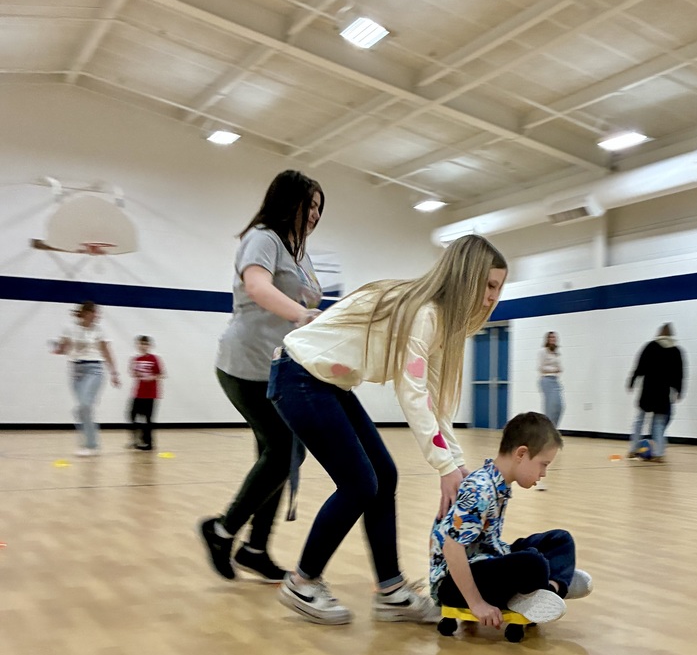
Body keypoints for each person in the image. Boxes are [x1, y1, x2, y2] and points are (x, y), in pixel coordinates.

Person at [269, 233, 508, 625]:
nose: (492, 297)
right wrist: (443, 467)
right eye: (489, 285)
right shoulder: (425, 313)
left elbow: (434, 401)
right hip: (298, 378)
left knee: (383, 475)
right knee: (360, 484)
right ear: (467, 277)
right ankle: (301, 581)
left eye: (498, 288)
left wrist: (456, 464)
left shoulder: (440, 321)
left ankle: (391, 590)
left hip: (323, 384)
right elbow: (412, 392)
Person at [199, 169, 324, 584]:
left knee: (277, 454)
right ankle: (221, 530)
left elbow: (308, 302)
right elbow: (257, 287)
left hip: (277, 368)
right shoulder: (264, 238)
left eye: (320, 208)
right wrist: (302, 313)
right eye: (311, 204)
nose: (315, 214)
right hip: (243, 365)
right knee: (285, 448)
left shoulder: (299, 253)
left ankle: (254, 549)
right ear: (290, 201)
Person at [429, 412, 593, 628]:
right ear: (521, 454)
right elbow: (452, 548)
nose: (543, 473)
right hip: (453, 585)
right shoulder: (480, 488)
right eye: (543, 464)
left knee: (560, 540)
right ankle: (550, 584)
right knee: (531, 562)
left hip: (485, 560)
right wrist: (476, 604)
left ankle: (549, 589)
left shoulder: (499, 484)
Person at [52, 301, 120, 455]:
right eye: (94, 312)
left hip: (94, 369)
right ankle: (89, 443)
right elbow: (63, 349)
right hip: (76, 370)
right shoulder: (70, 328)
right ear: (85, 313)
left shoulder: (100, 330)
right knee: (83, 409)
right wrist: (60, 349)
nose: (97, 316)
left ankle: (91, 445)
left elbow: (107, 352)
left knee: (84, 406)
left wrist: (114, 373)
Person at [627, 323, 685, 463]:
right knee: (658, 423)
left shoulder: (650, 346)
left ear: (659, 333)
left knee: (639, 421)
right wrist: (679, 390)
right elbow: (680, 373)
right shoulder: (676, 351)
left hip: (648, 389)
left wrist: (632, 381)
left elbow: (639, 366)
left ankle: (633, 449)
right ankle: (659, 453)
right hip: (663, 392)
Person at [128, 335, 165, 451]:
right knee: (132, 414)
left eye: (145, 344)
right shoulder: (136, 359)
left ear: (149, 346)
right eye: (141, 344)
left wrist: (152, 377)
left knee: (148, 418)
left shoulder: (154, 359)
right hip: (138, 392)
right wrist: (133, 372)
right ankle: (137, 439)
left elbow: (161, 374)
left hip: (150, 393)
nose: (143, 346)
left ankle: (149, 443)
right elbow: (133, 373)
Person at [538, 331, 564, 427]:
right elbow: (541, 368)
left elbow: (560, 368)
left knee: (559, 406)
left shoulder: (556, 353)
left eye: (554, 338)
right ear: (547, 339)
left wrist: (557, 369)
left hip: (555, 380)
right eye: (551, 338)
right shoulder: (543, 351)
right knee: (550, 407)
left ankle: (553, 428)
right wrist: (554, 369)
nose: (553, 339)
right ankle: (547, 429)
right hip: (546, 380)